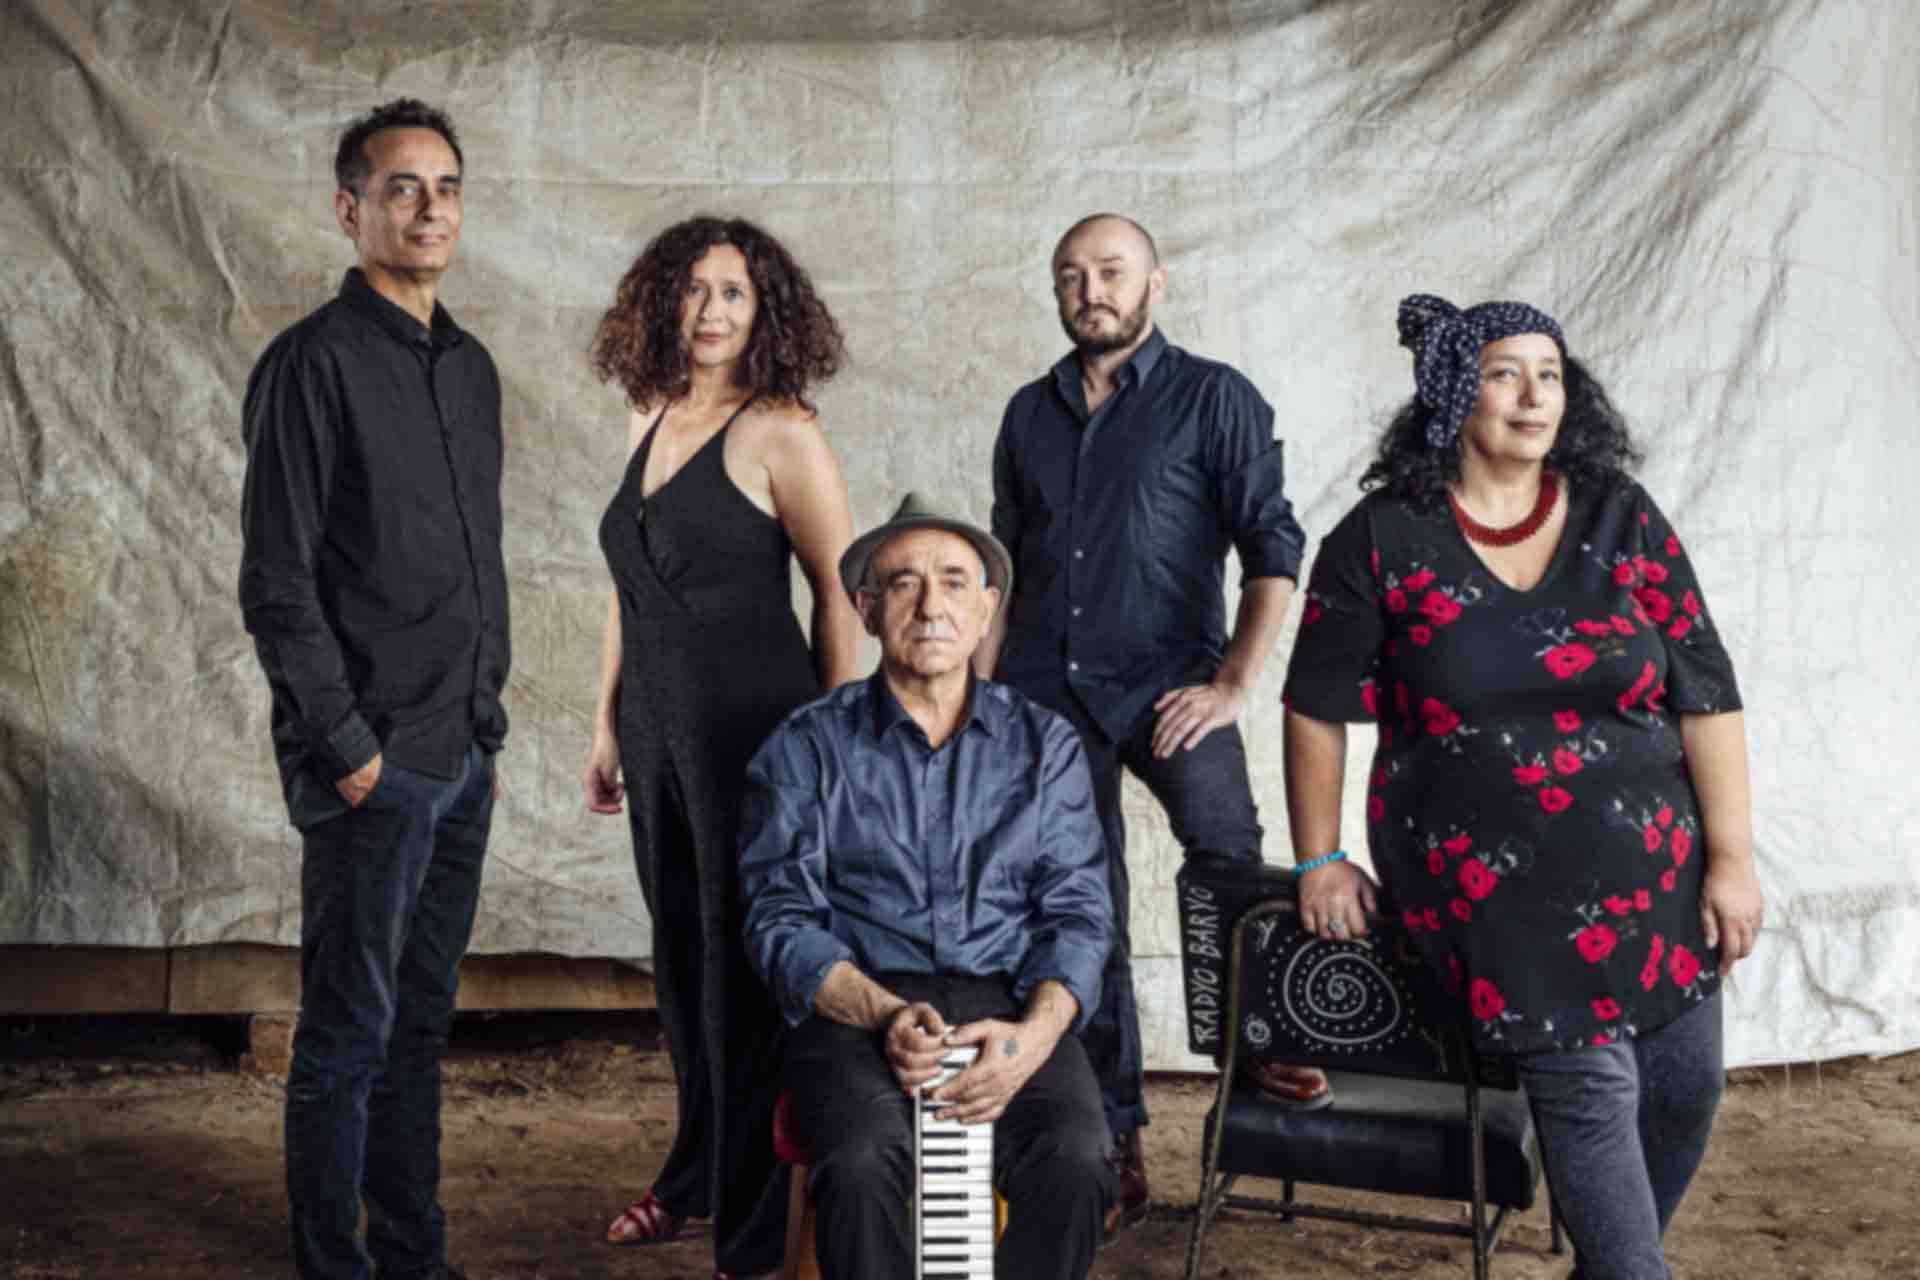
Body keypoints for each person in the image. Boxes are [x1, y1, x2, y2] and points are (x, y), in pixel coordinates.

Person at [1282, 294, 1765, 1280]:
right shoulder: (1380, 537)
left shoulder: (1622, 515)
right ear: (1454, 393)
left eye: (1550, 373)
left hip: (1654, 870)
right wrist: (1320, 856)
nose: (1534, 394)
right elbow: (1314, 706)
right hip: (1490, 886)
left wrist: (1732, 858)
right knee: (1591, 1084)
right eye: (1505, 373)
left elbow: (1706, 692)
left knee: (1685, 1087)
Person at [976, 211, 1320, 1231]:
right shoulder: (1026, 413)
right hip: (1045, 691)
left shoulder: (1215, 397)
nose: (1092, 291)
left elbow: (1272, 547)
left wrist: (1232, 683)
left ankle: (1262, 1049)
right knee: (1083, 906)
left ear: (1154, 284)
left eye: (1112, 271)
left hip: (1172, 681)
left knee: (1229, 852)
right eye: (1071, 275)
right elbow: (1001, 571)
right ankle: (1113, 1140)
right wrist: (982, 703)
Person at [238, 98, 504, 1280]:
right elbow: (276, 582)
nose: (429, 208)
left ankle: (412, 1253)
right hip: (375, 762)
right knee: (349, 1033)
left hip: (465, 748)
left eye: (446, 187)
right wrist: (347, 746)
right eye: (403, 187)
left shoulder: (472, 368)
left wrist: (485, 710)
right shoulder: (311, 364)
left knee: (418, 1027)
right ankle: (332, 1263)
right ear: (351, 210)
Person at [739, 493, 1117, 1280]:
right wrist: (882, 1013)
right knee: (860, 1159)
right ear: (868, 611)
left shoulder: (1045, 746)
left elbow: (1079, 916)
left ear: (986, 610)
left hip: (1008, 1000)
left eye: (952, 581)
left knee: (1078, 1157)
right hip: (858, 1003)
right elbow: (780, 921)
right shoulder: (806, 746)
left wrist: (1031, 1039)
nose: (930, 605)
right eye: (904, 583)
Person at [585, 215, 863, 1279]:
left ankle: (752, 1226)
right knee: (682, 969)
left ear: (765, 310)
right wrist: (605, 723)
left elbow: (837, 594)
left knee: (744, 978)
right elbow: (627, 589)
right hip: (657, 734)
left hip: (755, 732)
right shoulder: (647, 410)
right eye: (694, 289)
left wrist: (836, 747)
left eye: (734, 292)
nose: (711, 311)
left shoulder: (782, 428)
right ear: (662, 302)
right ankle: (695, 1169)